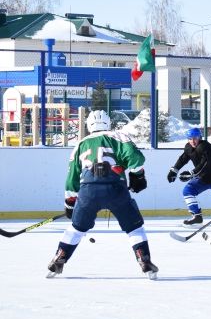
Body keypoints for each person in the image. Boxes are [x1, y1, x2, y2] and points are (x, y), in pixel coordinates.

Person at [47, 110, 157, 278]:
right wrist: (137, 175)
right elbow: (136, 159)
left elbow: (72, 178)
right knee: (134, 227)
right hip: (115, 188)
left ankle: (59, 258)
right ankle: (144, 260)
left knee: (76, 228)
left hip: (88, 191)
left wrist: (70, 202)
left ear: (89, 125)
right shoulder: (119, 136)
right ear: (108, 123)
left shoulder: (80, 144)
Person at [167, 127, 211, 225]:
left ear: (200, 137)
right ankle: (197, 216)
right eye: (190, 138)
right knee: (187, 191)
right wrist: (174, 170)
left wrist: (191, 173)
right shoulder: (188, 147)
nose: (193, 141)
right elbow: (183, 159)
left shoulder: (205, 146)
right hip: (202, 178)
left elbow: (206, 164)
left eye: (195, 138)